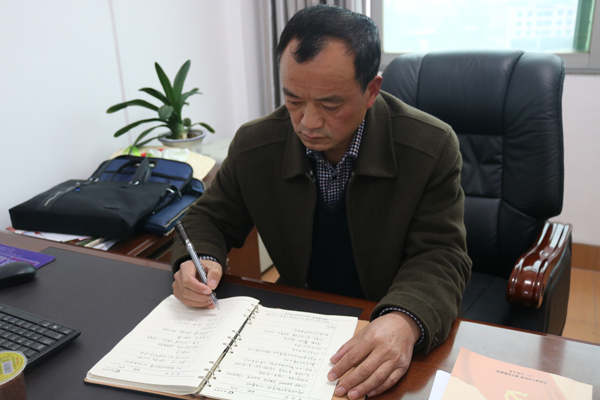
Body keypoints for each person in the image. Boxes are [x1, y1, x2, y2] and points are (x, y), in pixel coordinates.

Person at [171, 4, 471, 399]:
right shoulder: (255, 145)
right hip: (300, 324)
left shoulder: (429, 146)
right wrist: (200, 260)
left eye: (331, 105)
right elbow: (208, 218)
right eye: (293, 100)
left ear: (372, 90)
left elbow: (441, 254)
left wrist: (405, 319)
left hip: (386, 316)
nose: (308, 122)